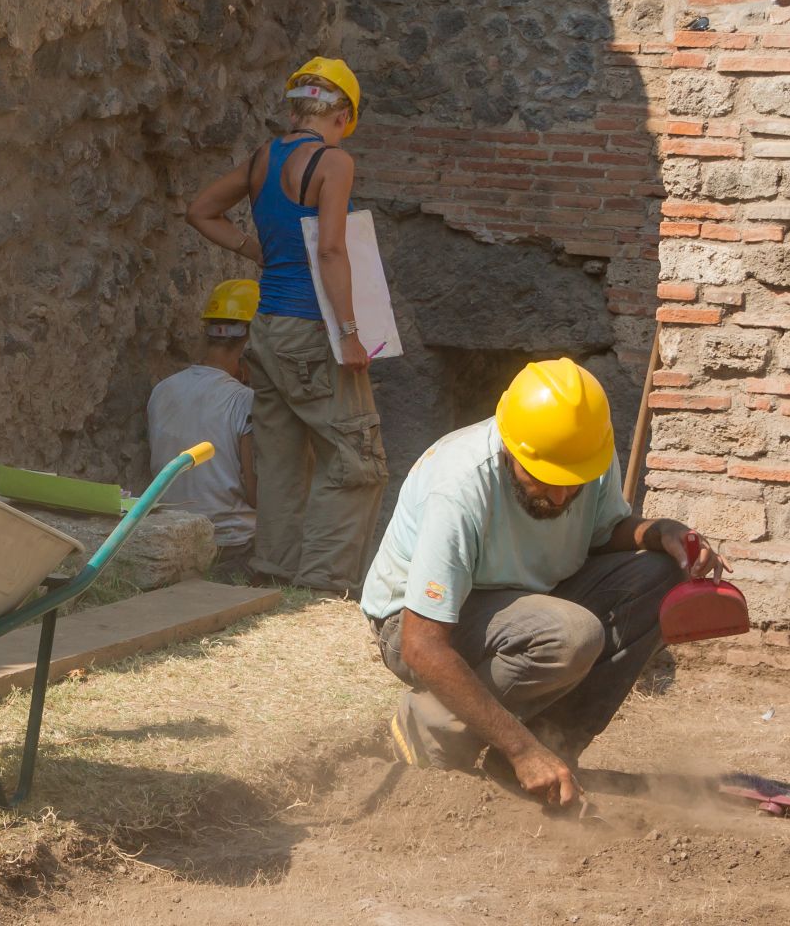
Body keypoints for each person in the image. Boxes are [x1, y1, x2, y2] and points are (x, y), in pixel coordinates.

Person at [359, 358, 725, 807]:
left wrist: (660, 531)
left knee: (659, 575)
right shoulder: (458, 488)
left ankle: (554, 750)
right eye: (544, 480)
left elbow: (602, 531)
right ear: (512, 449)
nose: (559, 497)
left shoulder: (583, 455)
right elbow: (422, 644)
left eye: (572, 485)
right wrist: (520, 749)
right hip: (415, 623)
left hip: (524, 600)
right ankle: (431, 728)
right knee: (569, 636)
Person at [184, 57, 386, 595]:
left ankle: (273, 569)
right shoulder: (333, 163)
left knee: (279, 457)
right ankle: (323, 584)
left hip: (266, 327)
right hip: (310, 327)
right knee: (354, 456)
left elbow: (201, 209)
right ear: (341, 113)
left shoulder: (262, 158)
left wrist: (258, 253)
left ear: (297, 106)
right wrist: (347, 332)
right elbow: (332, 249)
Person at [148, 279, 260, 583]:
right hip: (231, 544)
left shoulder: (162, 390)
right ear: (252, 338)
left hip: (173, 537)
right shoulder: (244, 400)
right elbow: (256, 495)